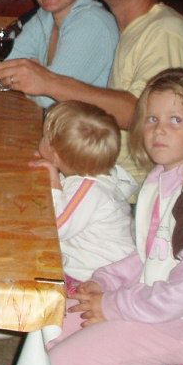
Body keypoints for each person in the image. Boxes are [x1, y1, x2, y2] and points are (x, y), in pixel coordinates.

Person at [47, 69, 183, 365]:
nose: (159, 130)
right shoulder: (163, 178)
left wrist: (114, 306)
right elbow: (151, 254)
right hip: (157, 307)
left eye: (175, 120)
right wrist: (106, 281)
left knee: (59, 364)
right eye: (152, 119)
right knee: (49, 324)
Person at [0, 0, 183, 184]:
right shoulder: (122, 27)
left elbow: (142, 114)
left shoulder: (165, 32)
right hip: (100, 166)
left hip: (140, 186)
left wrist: (50, 82)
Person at [29, 101, 137, 288]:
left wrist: (53, 180)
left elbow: (55, 227)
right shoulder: (89, 176)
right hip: (89, 269)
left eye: (44, 137)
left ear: (55, 155)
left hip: (94, 279)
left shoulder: (89, 189)